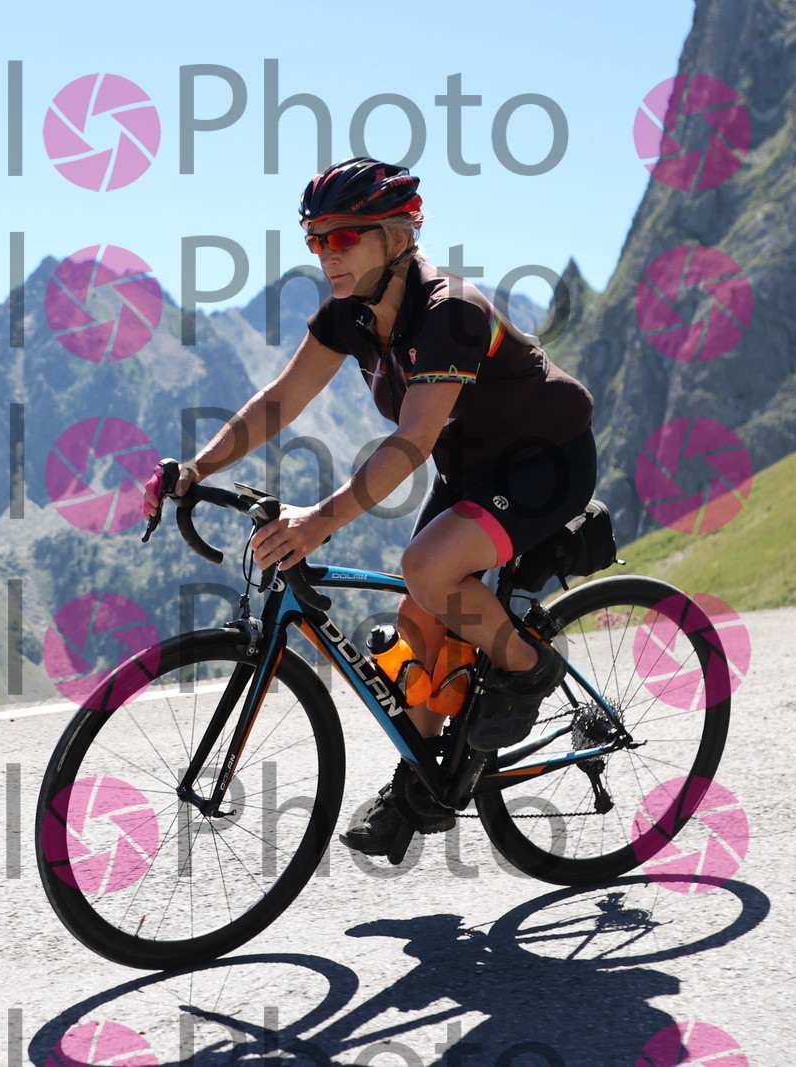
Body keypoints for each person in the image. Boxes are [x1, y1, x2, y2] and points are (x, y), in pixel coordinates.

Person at [142, 157, 596, 854]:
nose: (327, 253)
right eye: (315, 239)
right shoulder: (349, 316)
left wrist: (318, 521)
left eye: (344, 237)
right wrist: (197, 468)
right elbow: (280, 400)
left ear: (399, 236)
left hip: (545, 462)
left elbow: (412, 440)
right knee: (419, 620)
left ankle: (528, 667)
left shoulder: (451, 313)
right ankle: (424, 785)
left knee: (428, 569)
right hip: (470, 469)